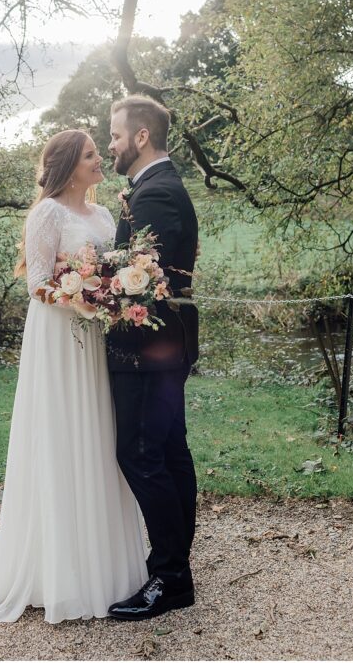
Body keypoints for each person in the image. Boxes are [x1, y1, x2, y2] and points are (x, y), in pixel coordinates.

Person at [0, 131, 147, 637]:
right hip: (60, 338)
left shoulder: (106, 217)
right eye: (89, 156)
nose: (99, 159)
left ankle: (103, 565)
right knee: (63, 437)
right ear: (67, 166)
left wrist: (111, 295)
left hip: (95, 342)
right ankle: (56, 571)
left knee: (99, 439)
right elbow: (37, 283)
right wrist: (78, 296)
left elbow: (114, 271)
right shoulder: (47, 215)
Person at [104, 95, 200, 621]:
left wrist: (89, 284)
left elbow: (140, 281)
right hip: (163, 347)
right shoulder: (156, 188)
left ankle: (170, 577)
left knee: (141, 454)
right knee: (167, 451)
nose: (110, 145)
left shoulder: (156, 194)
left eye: (116, 135)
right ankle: (175, 564)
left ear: (141, 137)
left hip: (148, 347)